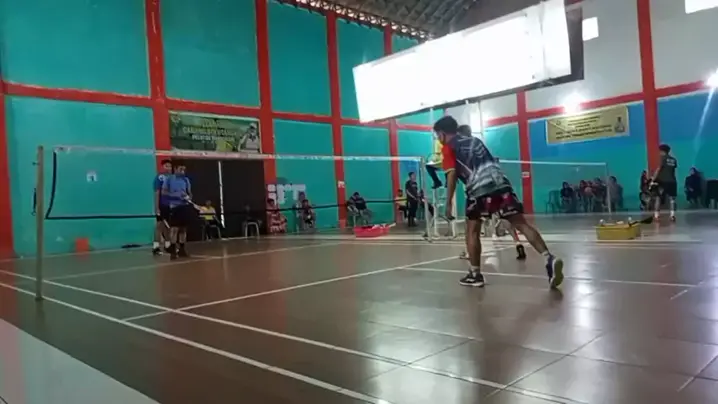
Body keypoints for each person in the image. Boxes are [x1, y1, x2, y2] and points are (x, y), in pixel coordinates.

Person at [435, 115, 563, 288]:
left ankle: (475, 274)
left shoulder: (448, 147)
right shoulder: (475, 141)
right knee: (521, 224)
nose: (438, 139)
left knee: (472, 231)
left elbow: (451, 175)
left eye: (438, 135)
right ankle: (549, 258)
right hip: (501, 184)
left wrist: (448, 202)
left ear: (442, 133)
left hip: (478, 190)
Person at [162, 162, 195, 259]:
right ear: (175, 169)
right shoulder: (169, 179)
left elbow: (190, 193)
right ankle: (173, 251)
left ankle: (182, 250)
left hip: (184, 206)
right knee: (174, 229)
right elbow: (164, 192)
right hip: (175, 207)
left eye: (184, 169)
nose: (183, 171)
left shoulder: (186, 180)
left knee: (183, 229)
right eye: (181, 169)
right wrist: (176, 196)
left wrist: (188, 197)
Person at [650, 144, 678, 221]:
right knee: (672, 199)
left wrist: (653, 180)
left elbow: (658, 169)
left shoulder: (662, 158)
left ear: (662, 151)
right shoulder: (674, 160)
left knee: (658, 198)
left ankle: (656, 216)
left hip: (662, 182)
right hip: (672, 181)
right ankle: (672, 215)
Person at [152, 159, 173, 255]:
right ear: (162, 167)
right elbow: (157, 193)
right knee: (159, 226)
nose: (168, 168)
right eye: (166, 166)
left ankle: (168, 246)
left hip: (170, 206)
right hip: (162, 205)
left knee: (168, 226)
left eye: (170, 166)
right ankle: (156, 247)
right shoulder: (159, 177)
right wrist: (157, 207)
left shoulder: (173, 178)